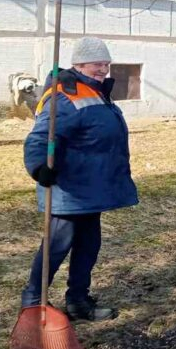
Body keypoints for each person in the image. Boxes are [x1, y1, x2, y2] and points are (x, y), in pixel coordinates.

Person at [21, 37, 138, 321]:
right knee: (55, 248)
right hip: (68, 190)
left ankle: (78, 301)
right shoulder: (64, 95)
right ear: (79, 64)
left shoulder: (96, 92)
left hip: (90, 189)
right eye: (98, 64)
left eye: (107, 64)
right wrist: (39, 168)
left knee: (88, 246)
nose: (103, 69)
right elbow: (39, 138)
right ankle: (33, 304)